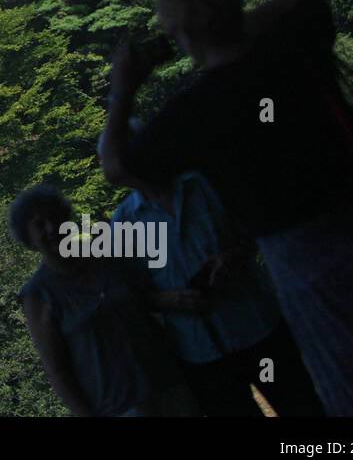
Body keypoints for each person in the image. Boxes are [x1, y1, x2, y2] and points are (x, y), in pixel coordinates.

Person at [98, 0, 353, 416]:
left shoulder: (194, 114)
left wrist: (123, 87)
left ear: (183, 32)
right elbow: (307, 3)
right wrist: (223, 20)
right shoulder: (293, 46)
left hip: (310, 267)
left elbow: (116, 165)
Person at [110, 169, 324, 416]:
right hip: (202, 354)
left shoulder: (206, 186)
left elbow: (255, 227)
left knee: (303, 409)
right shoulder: (124, 222)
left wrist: (235, 256)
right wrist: (167, 299)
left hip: (259, 331)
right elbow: (129, 293)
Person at [10, 184, 199, 417]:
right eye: (39, 224)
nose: (51, 228)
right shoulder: (37, 295)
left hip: (168, 384)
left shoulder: (106, 256)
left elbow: (143, 298)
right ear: (28, 238)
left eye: (55, 218)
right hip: (118, 408)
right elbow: (57, 371)